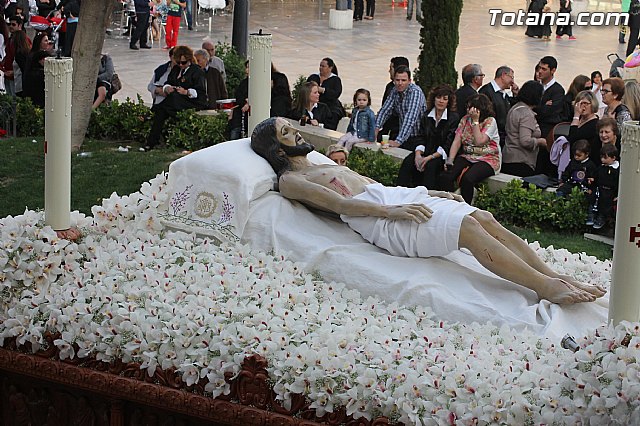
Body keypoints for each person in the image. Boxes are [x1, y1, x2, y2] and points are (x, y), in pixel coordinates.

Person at [250, 117, 605, 305]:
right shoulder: (291, 180)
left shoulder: (316, 159)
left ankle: (555, 275)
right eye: (286, 131)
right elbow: (342, 204)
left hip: (389, 197)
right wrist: (394, 212)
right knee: (469, 229)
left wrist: (428, 190)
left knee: (483, 216)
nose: (295, 131)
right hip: (379, 219)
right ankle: (543, 286)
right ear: (277, 149)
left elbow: (369, 182)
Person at [440, 93, 500, 204]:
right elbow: (457, 141)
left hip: (487, 158)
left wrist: (475, 121)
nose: (468, 110)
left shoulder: (490, 121)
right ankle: (447, 204)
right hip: (468, 155)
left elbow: (479, 141)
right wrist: (450, 160)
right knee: (447, 175)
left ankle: (466, 208)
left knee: (468, 179)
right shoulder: (465, 119)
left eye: (470, 107)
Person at [396, 84, 459, 189]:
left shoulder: (453, 118)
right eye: (438, 97)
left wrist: (428, 158)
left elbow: (448, 144)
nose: (441, 101)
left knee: (430, 165)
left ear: (449, 102)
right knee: (408, 161)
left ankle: (426, 197)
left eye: (445, 99)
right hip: (426, 150)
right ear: (434, 99)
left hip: (441, 155)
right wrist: (418, 155)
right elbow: (420, 137)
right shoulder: (426, 115)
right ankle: (400, 191)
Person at [145, 45, 207, 150]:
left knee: (169, 101)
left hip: (193, 101)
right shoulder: (176, 69)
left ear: (189, 60)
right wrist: (167, 88)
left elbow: (200, 92)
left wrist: (186, 92)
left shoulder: (197, 71)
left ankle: (152, 111)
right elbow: (168, 82)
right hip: (176, 101)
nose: (181, 65)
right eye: (178, 62)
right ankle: (151, 142)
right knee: (161, 112)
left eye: (183, 63)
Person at [501, 80, 547, 177]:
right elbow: (525, 141)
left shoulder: (515, 108)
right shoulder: (527, 114)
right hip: (521, 161)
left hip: (508, 157)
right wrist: (540, 141)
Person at [375, 65, 427, 150]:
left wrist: (398, 141)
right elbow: (385, 110)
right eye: (397, 80)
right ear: (394, 80)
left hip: (417, 137)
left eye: (403, 80)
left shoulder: (415, 92)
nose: (400, 83)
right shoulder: (395, 90)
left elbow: (410, 118)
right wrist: (375, 129)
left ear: (409, 81)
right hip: (404, 135)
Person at [534, 56, 566, 176]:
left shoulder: (558, 90)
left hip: (547, 133)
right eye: (539, 68)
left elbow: (549, 112)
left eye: (544, 69)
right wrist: (543, 105)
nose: (540, 71)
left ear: (553, 70)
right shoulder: (536, 86)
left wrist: (538, 107)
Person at [479, 65, 519, 147]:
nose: (513, 81)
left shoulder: (504, 94)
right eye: (511, 77)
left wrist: (516, 95)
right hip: (489, 139)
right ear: (503, 75)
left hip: (502, 138)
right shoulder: (486, 91)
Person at [307, 58, 345, 130]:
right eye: (320, 66)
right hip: (314, 102)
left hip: (330, 104)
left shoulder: (335, 80)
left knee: (333, 114)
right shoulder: (313, 77)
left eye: (323, 66)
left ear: (330, 68)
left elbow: (336, 94)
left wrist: (323, 90)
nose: (320, 68)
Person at [587, 143, 619, 230]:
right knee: (592, 200)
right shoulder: (601, 168)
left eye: (605, 158)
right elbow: (596, 176)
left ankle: (601, 219)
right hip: (599, 189)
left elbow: (617, 183)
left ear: (613, 158)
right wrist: (592, 180)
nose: (602, 160)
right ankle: (591, 216)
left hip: (609, 192)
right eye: (601, 157)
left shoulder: (616, 170)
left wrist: (617, 195)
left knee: (604, 206)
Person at [379, 56, 409, 141]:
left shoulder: (414, 92)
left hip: (397, 132)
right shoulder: (390, 87)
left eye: (391, 68)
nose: (389, 71)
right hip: (386, 129)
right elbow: (384, 109)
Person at [568, 90, 600, 160]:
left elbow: (573, 137)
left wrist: (576, 115)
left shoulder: (595, 124)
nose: (582, 106)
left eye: (585, 103)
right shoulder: (578, 120)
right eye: (579, 103)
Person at [229, 60, 248, 140]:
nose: (246, 70)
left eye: (249, 67)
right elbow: (238, 96)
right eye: (246, 67)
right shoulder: (243, 83)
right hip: (239, 116)